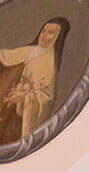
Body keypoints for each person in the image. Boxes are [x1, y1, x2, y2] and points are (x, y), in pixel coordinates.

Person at [0, 17, 69, 145]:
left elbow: (46, 98)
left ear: (57, 37)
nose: (44, 35)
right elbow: (5, 57)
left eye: (50, 33)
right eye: (44, 31)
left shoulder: (49, 64)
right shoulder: (29, 50)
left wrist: (23, 97)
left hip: (15, 116)